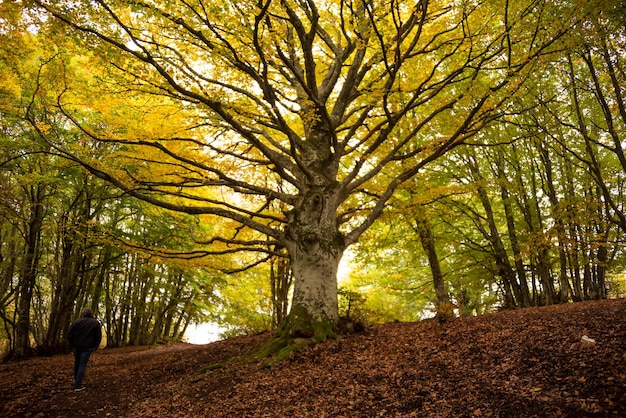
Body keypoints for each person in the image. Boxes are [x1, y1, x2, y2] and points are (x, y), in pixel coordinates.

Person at [67, 308, 102, 392]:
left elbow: (69, 334)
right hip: (87, 347)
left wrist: (72, 344)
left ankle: (76, 381)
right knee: (82, 365)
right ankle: (78, 385)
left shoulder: (76, 322)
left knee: (77, 363)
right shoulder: (95, 323)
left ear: (83, 314)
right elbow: (98, 336)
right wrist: (95, 346)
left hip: (77, 346)